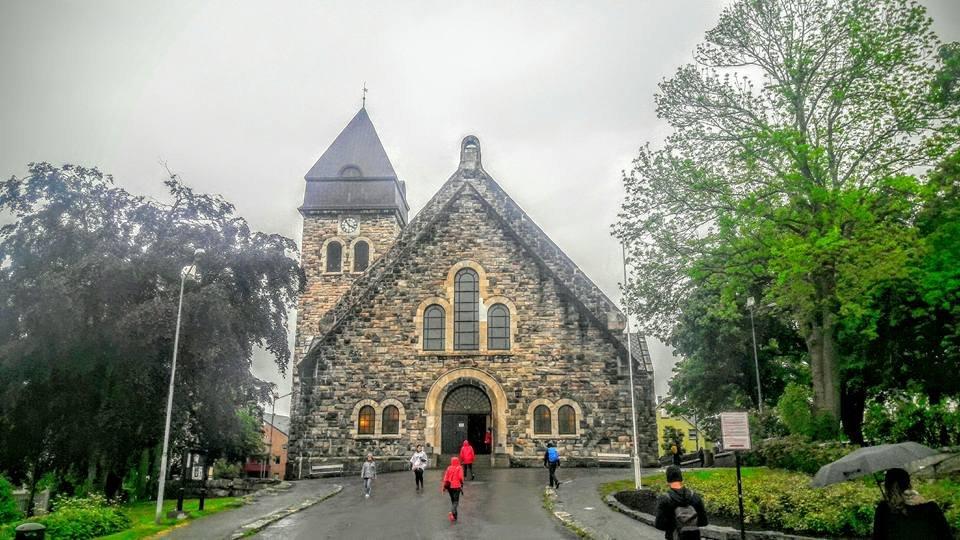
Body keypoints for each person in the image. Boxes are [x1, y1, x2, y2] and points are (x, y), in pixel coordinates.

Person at [872, 468, 951, 539]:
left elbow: (877, 536)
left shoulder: (884, 509)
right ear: (909, 483)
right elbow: (946, 536)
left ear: (887, 486)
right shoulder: (932, 507)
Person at [654, 465, 708, 540]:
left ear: (668, 479)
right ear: (681, 478)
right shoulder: (695, 496)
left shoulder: (665, 499)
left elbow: (659, 525)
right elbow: (704, 522)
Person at [441, 456, 465, 522]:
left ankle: (454, 516)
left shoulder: (449, 468)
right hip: (456, 486)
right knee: (456, 502)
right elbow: (460, 477)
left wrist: (444, 487)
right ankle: (452, 512)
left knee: (453, 501)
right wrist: (462, 482)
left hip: (449, 487)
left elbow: (445, 477)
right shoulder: (459, 467)